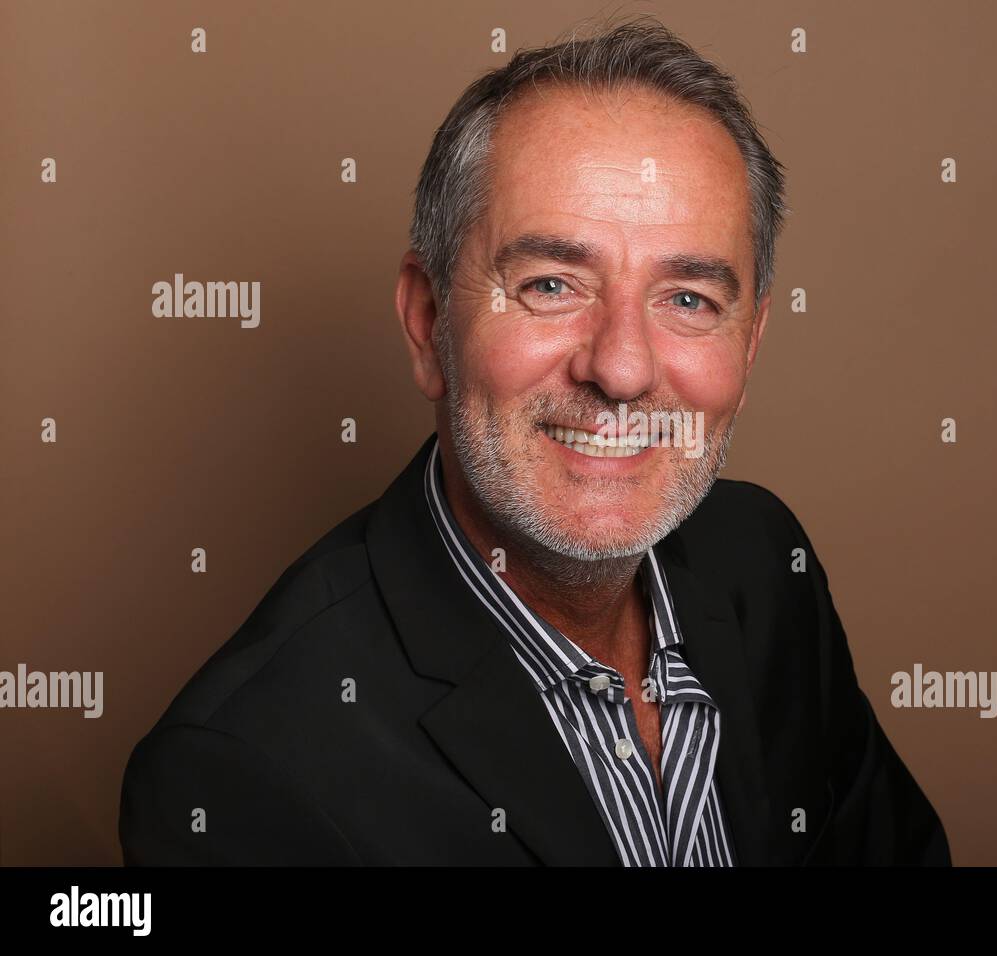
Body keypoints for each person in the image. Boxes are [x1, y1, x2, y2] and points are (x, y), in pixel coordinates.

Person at [119, 14, 949, 866]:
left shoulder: (767, 565)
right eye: (551, 283)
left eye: (690, 298)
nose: (622, 369)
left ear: (752, 340)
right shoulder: (245, 771)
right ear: (428, 321)